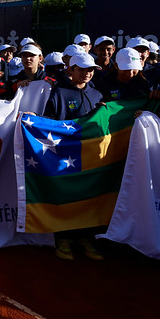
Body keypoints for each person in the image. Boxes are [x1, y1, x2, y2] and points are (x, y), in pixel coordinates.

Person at [42, 53, 105, 261]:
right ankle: (63, 238)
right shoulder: (58, 92)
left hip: (90, 156)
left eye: (91, 69)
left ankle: (86, 237)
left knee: (87, 197)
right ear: (71, 70)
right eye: (83, 69)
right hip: (64, 157)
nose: (87, 73)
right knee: (66, 196)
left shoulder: (97, 95)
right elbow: (48, 121)